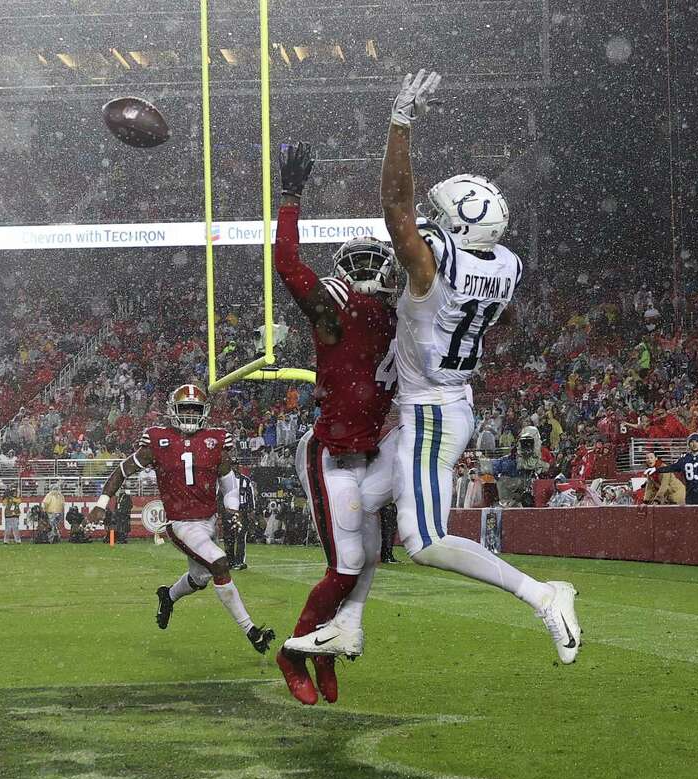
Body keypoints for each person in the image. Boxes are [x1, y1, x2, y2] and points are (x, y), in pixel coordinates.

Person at [288, 70, 582, 667]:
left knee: (423, 542)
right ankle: (348, 622)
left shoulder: (432, 271)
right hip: (446, 401)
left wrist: (401, 122)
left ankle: (543, 594)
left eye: (439, 218)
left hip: (428, 416)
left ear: (454, 229)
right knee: (365, 504)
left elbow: (396, 206)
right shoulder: (504, 265)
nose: (429, 222)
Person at [269, 140, 400, 705]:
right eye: (361, 263)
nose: (369, 273)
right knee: (346, 563)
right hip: (330, 453)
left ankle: (325, 642)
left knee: (366, 560)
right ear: (346, 271)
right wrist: (291, 199)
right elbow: (288, 265)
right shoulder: (336, 308)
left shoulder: (403, 316)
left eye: (379, 264)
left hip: (372, 451)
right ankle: (295, 650)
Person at [88, 384, 275, 656]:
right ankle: (252, 631)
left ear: (204, 412)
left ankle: (168, 595)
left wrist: (232, 510)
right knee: (220, 563)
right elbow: (122, 470)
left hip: (208, 520)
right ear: (172, 410)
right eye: (184, 408)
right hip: (182, 524)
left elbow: (228, 481)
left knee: (200, 577)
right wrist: (102, 503)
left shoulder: (216, 439)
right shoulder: (157, 440)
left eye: (194, 409)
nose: (189, 414)